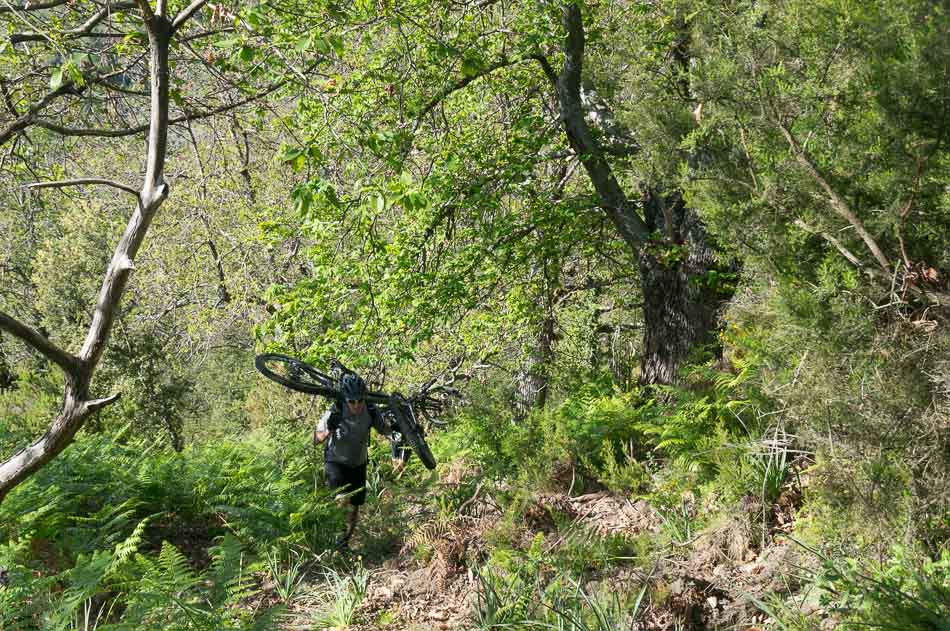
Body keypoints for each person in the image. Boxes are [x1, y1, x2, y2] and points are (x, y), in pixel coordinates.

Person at [312, 372, 408, 549]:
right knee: (341, 500)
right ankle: (337, 541)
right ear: (346, 399)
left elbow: (384, 430)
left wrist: (398, 434)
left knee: (355, 506)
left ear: (364, 398)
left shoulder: (370, 410)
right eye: (352, 401)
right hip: (336, 461)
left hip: (358, 462)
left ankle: (346, 542)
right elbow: (315, 440)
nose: (356, 405)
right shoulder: (335, 410)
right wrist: (328, 429)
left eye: (359, 400)